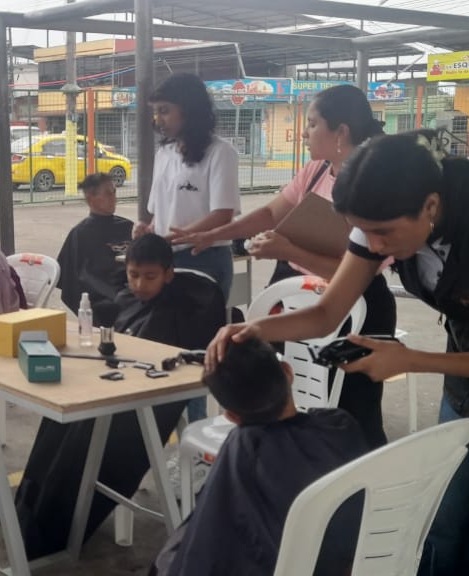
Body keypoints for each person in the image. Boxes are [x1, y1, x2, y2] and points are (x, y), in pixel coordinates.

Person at [207, 130, 469, 576]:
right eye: (364, 232)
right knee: (442, 530)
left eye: (383, 233)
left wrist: (410, 359)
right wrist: (254, 327)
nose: (374, 246)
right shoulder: (378, 217)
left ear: (429, 206)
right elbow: (328, 311)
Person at [170, 84, 395, 448]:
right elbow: (271, 213)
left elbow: (357, 274)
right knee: (285, 399)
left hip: (355, 304)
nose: (304, 133)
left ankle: (356, 477)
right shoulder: (317, 170)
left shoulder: (377, 185)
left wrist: (289, 250)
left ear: (341, 132)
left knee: (351, 411)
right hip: (295, 296)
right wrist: (215, 234)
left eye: (312, 124)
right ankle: (293, 465)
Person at [15, 234, 226, 559]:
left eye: (150, 276)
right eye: (133, 275)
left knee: (91, 433)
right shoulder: (127, 299)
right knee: (61, 416)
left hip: (154, 395)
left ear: (169, 273)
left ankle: (53, 526)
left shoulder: (191, 306)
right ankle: (31, 508)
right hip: (119, 382)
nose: (139, 284)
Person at [151, 336, 367, 576]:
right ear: (288, 372)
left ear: (231, 416)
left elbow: (206, 538)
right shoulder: (340, 425)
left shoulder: (244, 448)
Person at [134, 72, 241, 297]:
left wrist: (171, 239)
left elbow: (222, 214)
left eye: (165, 111)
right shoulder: (164, 153)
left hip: (203, 257)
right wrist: (149, 229)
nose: (158, 120)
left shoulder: (221, 153)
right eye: (156, 112)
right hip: (167, 257)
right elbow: (162, 212)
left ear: (190, 110)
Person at [55, 172, 132, 311]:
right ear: (90, 199)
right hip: (102, 300)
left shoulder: (128, 226)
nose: (114, 198)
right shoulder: (80, 234)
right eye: (108, 193)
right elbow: (71, 284)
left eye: (114, 192)